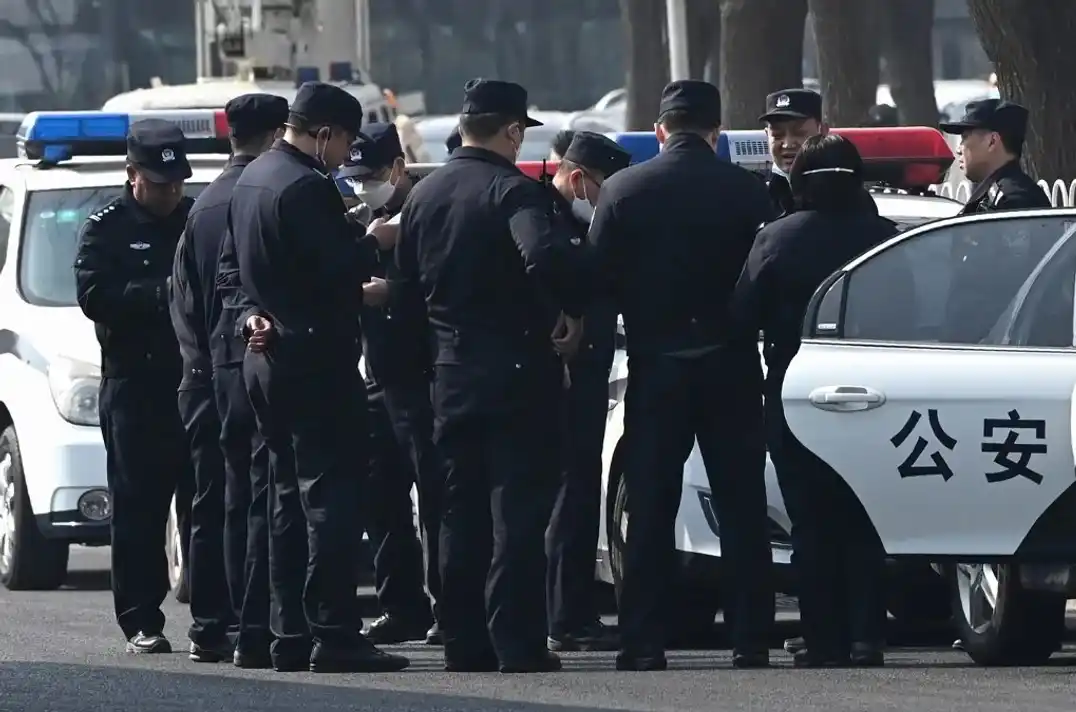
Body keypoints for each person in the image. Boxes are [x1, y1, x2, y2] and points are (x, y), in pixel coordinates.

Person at [394, 78, 590, 673]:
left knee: (460, 516)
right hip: (517, 373)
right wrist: (572, 306)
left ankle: (464, 642)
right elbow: (544, 256)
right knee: (520, 516)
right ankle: (518, 642)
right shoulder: (512, 192)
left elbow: (403, 291)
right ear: (511, 131)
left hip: (450, 373)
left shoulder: (424, 197)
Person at [589, 80, 775, 671]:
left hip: (656, 364)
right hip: (732, 363)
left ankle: (641, 641)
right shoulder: (749, 193)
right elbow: (765, 276)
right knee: (743, 505)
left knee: (649, 508)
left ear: (661, 130)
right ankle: (751, 638)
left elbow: (597, 280)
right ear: (717, 133)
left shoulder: (622, 189)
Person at [229, 81, 409, 673]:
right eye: (344, 142)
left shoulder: (254, 176)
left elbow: (251, 268)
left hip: (269, 354)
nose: (344, 155)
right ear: (326, 133)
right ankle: (334, 632)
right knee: (331, 499)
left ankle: (288, 635)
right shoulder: (305, 186)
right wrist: (374, 240)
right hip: (315, 358)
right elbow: (336, 263)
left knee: (285, 499)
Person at [731, 134, 904, 668]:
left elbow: (743, 314)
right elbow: (913, 309)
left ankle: (824, 639)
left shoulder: (777, 239)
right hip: (875, 386)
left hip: (796, 383)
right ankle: (868, 635)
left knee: (810, 517)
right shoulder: (885, 239)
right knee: (864, 511)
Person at [170, 93, 288, 665]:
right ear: (274, 136)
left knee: (213, 498)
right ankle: (255, 621)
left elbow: (186, 299)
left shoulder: (205, 205)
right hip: (258, 361)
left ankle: (211, 624)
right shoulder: (268, 194)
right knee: (260, 494)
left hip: (208, 367)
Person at [74, 119, 195, 654]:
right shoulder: (106, 227)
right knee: (139, 509)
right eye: (160, 184)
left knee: (205, 502)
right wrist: (164, 294)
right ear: (133, 175)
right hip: (135, 386)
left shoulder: (195, 218)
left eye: (177, 184)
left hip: (192, 382)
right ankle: (141, 619)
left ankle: (216, 613)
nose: (171, 194)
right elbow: (96, 298)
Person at [336, 124, 440, 646]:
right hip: (373, 379)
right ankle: (401, 605)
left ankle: (449, 605)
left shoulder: (427, 213)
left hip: (422, 379)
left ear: (397, 169)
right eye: (352, 178)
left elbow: (448, 291)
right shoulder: (362, 222)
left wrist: (393, 293)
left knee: (439, 498)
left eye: (369, 177)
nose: (360, 187)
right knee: (383, 500)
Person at [543, 131, 630, 653]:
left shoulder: (556, 218)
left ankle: (568, 612)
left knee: (575, 493)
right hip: (566, 379)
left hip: (582, 375)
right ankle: (566, 615)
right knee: (569, 494)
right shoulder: (548, 224)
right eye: (602, 191)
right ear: (579, 180)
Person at [939, 99, 1053, 346]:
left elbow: (1009, 286)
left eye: (966, 136)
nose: (959, 148)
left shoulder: (1013, 199)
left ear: (992, 141)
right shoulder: (994, 194)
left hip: (995, 346)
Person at [760, 89, 825, 216]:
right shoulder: (756, 194)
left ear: (822, 131)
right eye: (777, 135)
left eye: (799, 133)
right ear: (767, 135)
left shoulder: (844, 193)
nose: (788, 144)